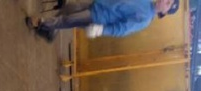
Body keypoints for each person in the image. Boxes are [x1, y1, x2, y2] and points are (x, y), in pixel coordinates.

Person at [25, 0, 179, 42]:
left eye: (168, 4)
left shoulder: (145, 19)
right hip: (99, 4)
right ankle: (49, 32)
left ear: (165, 12)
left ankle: (41, 23)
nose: (164, 0)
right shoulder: (146, 2)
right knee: (70, 8)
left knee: (67, 20)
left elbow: (123, 29)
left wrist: (102, 30)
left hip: (99, 17)